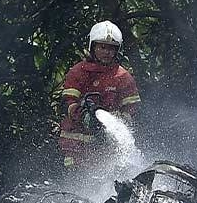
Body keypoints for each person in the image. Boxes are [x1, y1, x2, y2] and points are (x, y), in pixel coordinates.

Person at [59, 21, 141, 170]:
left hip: (106, 148)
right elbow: (67, 102)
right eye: (102, 47)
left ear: (117, 51)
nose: (106, 52)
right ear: (93, 47)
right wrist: (84, 115)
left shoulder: (122, 76)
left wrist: (119, 120)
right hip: (75, 148)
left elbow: (132, 109)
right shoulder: (78, 72)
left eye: (111, 48)